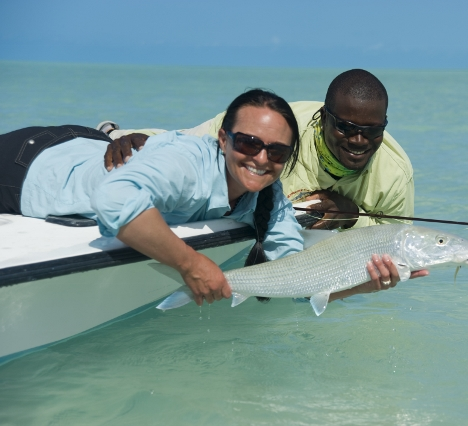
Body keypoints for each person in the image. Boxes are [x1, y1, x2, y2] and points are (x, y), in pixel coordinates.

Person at [1, 89, 415, 305]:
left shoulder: (269, 201)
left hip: (74, 152)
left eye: (277, 151)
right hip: (31, 167)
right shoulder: (188, 163)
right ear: (222, 138)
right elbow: (113, 202)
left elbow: (293, 279)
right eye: (249, 142)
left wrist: (361, 287)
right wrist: (191, 262)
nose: (260, 158)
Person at [104, 69, 415, 232]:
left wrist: (352, 217)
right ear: (323, 117)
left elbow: (396, 241)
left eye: (372, 131)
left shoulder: (395, 173)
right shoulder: (282, 128)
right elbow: (200, 141)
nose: (359, 141)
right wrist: (137, 139)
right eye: (346, 127)